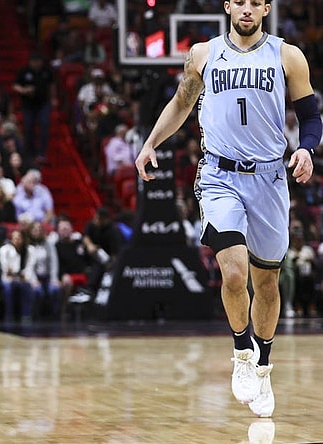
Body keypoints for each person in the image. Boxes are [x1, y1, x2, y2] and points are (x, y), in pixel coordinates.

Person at [135, 0, 321, 418]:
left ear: (266, 8)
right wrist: (150, 144)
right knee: (234, 271)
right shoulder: (203, 53)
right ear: (227, 5)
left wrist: (307, 149)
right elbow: (182, 104)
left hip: (271, 178)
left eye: (255, 2)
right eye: (240, 1)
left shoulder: (287, 56)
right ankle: (241, 352)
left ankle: (264, 366)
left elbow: (311, 116)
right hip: (219, 175)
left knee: (267, 282)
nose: (247, 9)